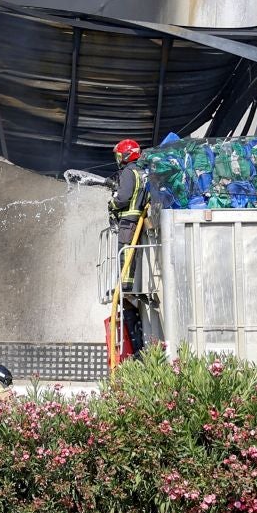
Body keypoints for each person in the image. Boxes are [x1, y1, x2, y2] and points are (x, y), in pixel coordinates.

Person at [110, 140, 153, 358]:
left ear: (126, 155)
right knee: (130, 256)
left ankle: (125, 287)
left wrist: (113, 202)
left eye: (120, 155)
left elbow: (124, 196)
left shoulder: (128, 172)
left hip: (128, 222)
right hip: (138, 221)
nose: (118, 159)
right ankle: (127, 288)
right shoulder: (142, 171)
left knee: (125, 256)